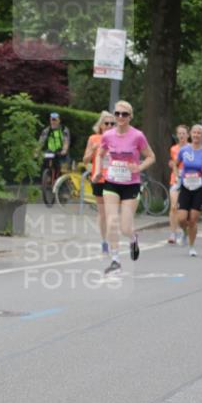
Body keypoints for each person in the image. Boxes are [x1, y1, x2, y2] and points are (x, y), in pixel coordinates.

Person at [94, 100, 155, 275]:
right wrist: (98, 171)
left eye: (124, 114)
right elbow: (100, 154)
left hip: (131, 184)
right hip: (112, 182)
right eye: (118, 113)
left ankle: (133, 238)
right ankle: (115, 260)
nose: (120, 117)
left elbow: (151, 156)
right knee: (112, 221)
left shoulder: (137, 136)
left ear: (130, 117)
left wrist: (140, 167)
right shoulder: (108, 135)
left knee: (125, 228)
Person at [83, 110, 115, 255]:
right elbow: (85, 161)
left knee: (111, 212)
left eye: (112, 123)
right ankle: (104, 241)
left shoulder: (118, 138)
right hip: (99, 179)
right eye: (106, 123)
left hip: (114, 179)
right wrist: (93, 151)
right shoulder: (94, 138)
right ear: (101, 125)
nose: (109, 126)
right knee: (103, 213)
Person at [174, 124, 202, 258]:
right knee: (182, 218)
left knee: (193, 219)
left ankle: (192, 246)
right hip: (186, 186)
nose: (196, 135)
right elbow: (176, 164)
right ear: (190, 134)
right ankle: (184, 231)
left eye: (199, 133)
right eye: (194, 132)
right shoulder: (184, 150)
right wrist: (177, 176)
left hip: (200, 187)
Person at [168, 124, 189, 244]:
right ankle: (173, 233)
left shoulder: (191, 148)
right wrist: (175, 172)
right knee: (174, 206)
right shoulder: (174, 149)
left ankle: (183, 231)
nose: (181, 135)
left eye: (183, 133)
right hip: (176, 178)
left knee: (185, 209)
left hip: (189, 180)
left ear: (188, 134)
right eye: (179, 133)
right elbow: (173, 163)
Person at [38, 111, 70, 184]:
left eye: (55, 120)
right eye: (52, 120)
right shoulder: (47, 130)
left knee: (63, 167)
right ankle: (47, 176)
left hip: (61, 151)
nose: (53, 122)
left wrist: (64, 150)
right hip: (50, 151)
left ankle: (63, 184)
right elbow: (41, 142)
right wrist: (36, 151)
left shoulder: (64, 129)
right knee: (42, 161)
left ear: (59, 121)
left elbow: (66, 141)